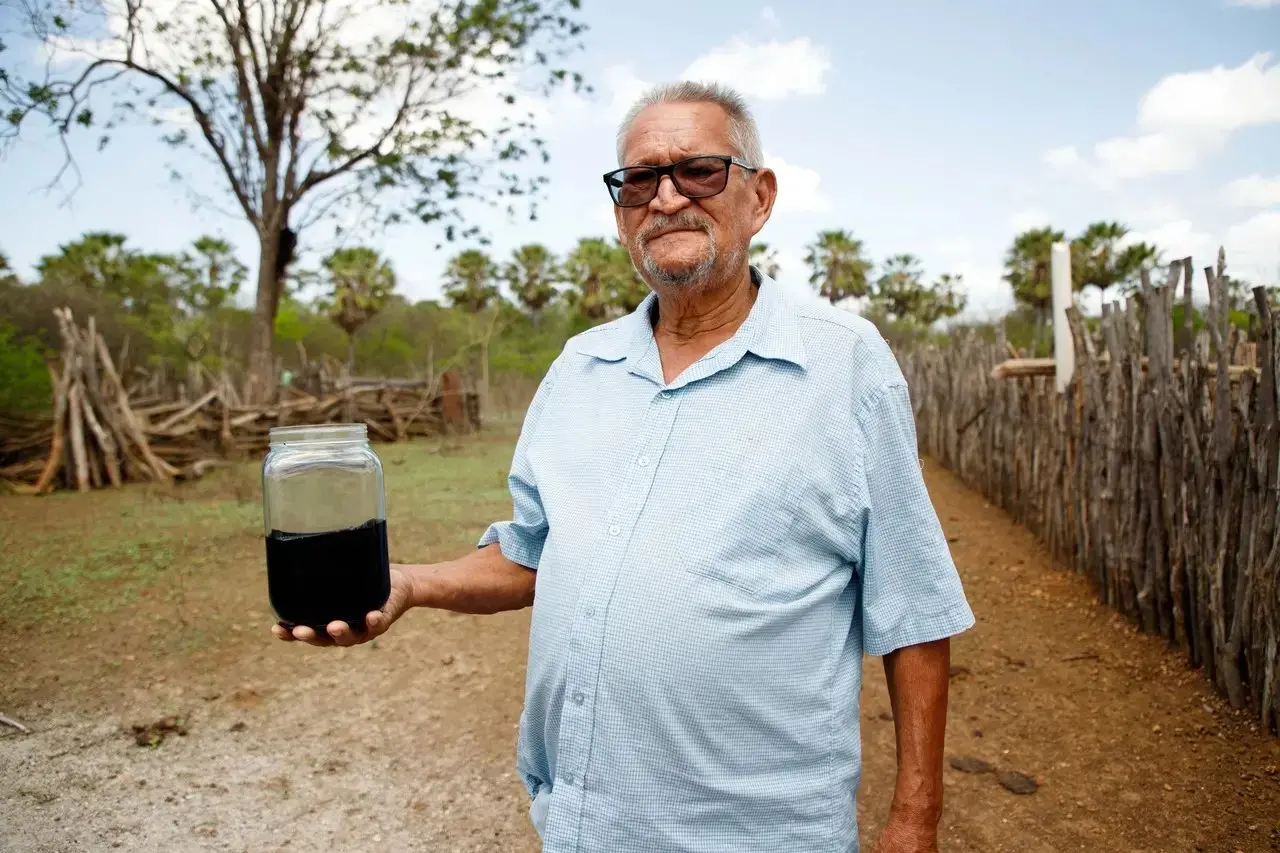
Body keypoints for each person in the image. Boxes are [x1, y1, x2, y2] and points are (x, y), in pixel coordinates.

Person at [272, 81, 975, 853]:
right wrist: (412, 583)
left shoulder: (842, 364)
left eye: (699, 171)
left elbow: (912, 605)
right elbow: (535, 550)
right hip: (584, 826)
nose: (666, 197)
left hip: (761, 833)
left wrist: (916, 818)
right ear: (619, 214)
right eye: (638, 180)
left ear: (760, 196)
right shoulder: (581, 367)